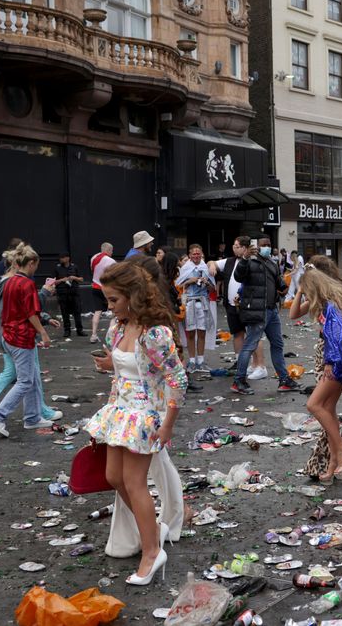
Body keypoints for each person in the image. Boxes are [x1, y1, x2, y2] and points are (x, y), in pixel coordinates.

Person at [85, 261, 187, 585]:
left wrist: (168, 424)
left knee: (134, 481)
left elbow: (178, 378)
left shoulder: (154, 333)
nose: (109, 306)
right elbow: (124, 372)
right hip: (120, 411)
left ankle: (152, 551)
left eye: (114, 299)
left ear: (132, 295)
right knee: (113, 476)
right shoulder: (117, 327)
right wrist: (108, 368)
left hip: (145, 414)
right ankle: (154, 532)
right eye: (108, 300)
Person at [289, 268, 342, 483]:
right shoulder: (331, 302)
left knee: (314, 405)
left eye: (305, 292)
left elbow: (338, 336)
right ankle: (333, 462)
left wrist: (330, 362)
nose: (305, 296)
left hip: (338, 360)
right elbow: (293, 314)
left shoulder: (330, 307)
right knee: (328, 409)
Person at [0, 247, 62, 424]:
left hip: (8, 335)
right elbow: (27, 311)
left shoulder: (7, 282)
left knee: (26, 375)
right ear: (29, 263)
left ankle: (34, 415)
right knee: (25, 378)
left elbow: (15, 310)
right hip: (17, 336)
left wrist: (44, 318)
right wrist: (43, 329)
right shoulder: (19, 283)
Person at [231, 235, 300, 395]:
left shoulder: (272, 262)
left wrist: (283, 286)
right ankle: (238, 381)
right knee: (250, 345)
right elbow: (238, 276)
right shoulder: (249, 261)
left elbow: (278, 282)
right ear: (257, 246)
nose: (266, 247)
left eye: (269, 244)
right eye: (263, 245)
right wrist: (244, 258)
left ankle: (284, 379)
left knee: (277, 344)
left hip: (272, 310)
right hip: (257, 311)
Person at [210, 236, 267, 380]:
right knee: (237, 333)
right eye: (234, 246)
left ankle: (259, 365)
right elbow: (213, 263)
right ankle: (242, 363)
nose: (233, 248)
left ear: (244, 248)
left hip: (249, 305)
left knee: (253, 335)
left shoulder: (253, 260)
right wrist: (211, 265)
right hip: (231, 305)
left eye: (237, 246)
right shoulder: (229, 261)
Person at [175, 245, 216, 372]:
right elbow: (178, 286)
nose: (196, 256)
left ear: (202, 254)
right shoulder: (185, 268)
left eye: (198, 254)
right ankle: (192, 361)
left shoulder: (205, 268)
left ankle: (201, 360)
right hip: (189, 302)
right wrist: (190, 281)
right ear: (190, 255)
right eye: (194, 254)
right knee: (191, 332)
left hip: (203, 302)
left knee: (202, 332)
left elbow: (212, 289)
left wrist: (207, 283)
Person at [54, 253, 86, 338]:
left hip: (74, 292)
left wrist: (74, 278)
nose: (61, 259)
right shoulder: (57, 268)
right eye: (60, 258)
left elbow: (82, 279)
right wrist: (62, 280)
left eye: (62, 258)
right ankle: (67, 330)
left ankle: (80, 330)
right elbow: (53, 281)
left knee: (77, 312)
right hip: (63, 293)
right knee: (65, 312)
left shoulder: (74, 267)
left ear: (67, 258)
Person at [90, 242, 115, 343]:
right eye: (112, 251)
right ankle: (111, 336)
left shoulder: (93, 258)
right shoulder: (110, 261)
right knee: (114, 312)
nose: (112, 253)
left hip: (95, 287)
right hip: (107, 288)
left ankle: (93, 335)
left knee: (97, 311)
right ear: (108, 250)